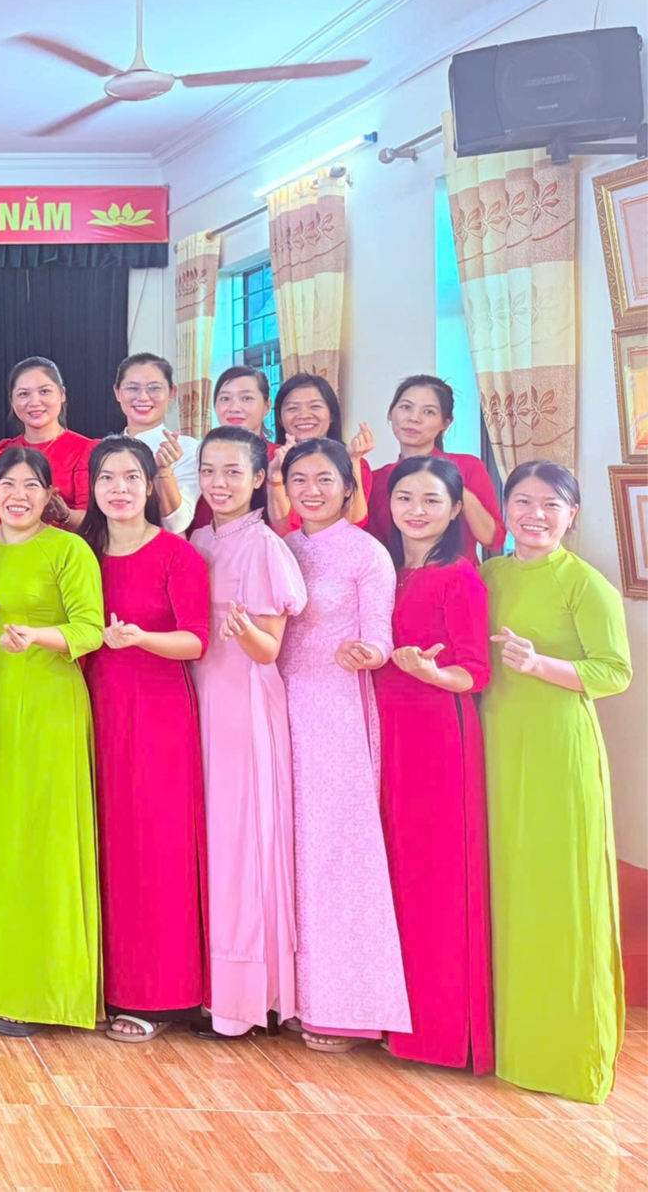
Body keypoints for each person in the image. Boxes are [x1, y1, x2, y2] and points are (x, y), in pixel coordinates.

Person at [482, 461, 632, 1104]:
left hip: (557, 748)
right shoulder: (489, 576)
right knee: (504, 888)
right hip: (493, 742)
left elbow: (614, 672)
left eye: (550, 504)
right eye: (523, 501)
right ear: (505, 509)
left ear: (572, 514)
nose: (535, 515)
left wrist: (540, 663)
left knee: (559, 891)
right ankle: (503, 1042)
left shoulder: (584, 583)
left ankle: (566, 1056)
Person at [0, 448, 105, 1036]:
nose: (17, 496)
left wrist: (38, 636)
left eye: (31, 486)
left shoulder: (69, 549)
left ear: (49, 494)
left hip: (49, 708)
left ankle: (44, 991)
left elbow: (91, 628)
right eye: (6, 485)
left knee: (44, 842)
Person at [278, 437, 409, 1052]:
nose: (311, 490)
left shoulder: (367, 553)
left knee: (334, 851)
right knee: (284, 847)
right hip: (276, 703)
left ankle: (343, 1007)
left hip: (334, 710)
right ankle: (286, 995)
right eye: (299, 479)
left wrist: (369, 652)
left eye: (325, 479)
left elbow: (379, 634)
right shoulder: (279, 547)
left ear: (348, 488)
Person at [80, 435, 210, 1043]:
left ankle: (158, 995)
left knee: (154, 847)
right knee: (102, 845)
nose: (120, 489)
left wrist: (139, 639)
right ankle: (98, 985)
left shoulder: (177, 554)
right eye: (107, 477)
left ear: (151, 484)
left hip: (157, 715)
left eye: (132, 476)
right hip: (93, 709)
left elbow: (196, 639)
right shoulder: (82, 553)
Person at [373, 454, 493, 1072]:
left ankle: (438, 1033)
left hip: (437, 735)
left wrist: (430, 672)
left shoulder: (459, 576)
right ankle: (391, 1019)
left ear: (454, 511)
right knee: (392, 870)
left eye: (431, 501)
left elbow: (474, 670)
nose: (415, 511)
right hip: (386, 731)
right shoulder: (387, 570)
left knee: (434, 878)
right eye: (405, 499)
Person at [189, 425, 306, 1040]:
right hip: (201, 697)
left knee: (242, 841)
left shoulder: (264, 547)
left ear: (260, 478)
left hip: (244, 704)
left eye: (233, 472)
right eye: (209, 470)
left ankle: (243, 1000)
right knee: (211, 839)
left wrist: (244, 631)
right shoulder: (199, 538)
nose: (219, 483)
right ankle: (210, 987)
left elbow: (269, 650)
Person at [363, 375, 502, 562]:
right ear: (390, 413)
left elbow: (493, 539)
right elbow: (370, 545)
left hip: (459, 577)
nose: (414, 418)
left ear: (446, 423)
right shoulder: (377, 478)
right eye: (406, 407)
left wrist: (454, 485)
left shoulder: (467, 467)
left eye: (428, 412)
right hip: (399, 578)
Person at [267, 374, 371, 531]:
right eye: (293, 408)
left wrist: (353, 460)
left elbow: (353, 523)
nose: (304, 415)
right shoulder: (272, 461)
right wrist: (276, 475)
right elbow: (282, 529)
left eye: (315, 406)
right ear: (280, 419)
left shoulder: (356, 462)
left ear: (331, 414)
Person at [114, 353, 199, 535]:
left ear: (172, 392)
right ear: (117, 392)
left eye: (154, 388)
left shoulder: (187, 448)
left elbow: (176, 524)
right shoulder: (105, 450)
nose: (143, 397)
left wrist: (164, 472)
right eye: (132, 388)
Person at [5, 356, 94, 526]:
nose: (34, 402)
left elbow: (97, 521)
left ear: (62, 394)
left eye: (44, 391)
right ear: (12, 401)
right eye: (24, 394)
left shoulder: (86, 450)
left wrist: (64, 515)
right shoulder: (4, 451)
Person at [187, 365, 274, 537]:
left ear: (267, 406)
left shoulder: (280, 458)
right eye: (225, 398)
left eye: (246, 398)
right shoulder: (197, 454)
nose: (234, 407)